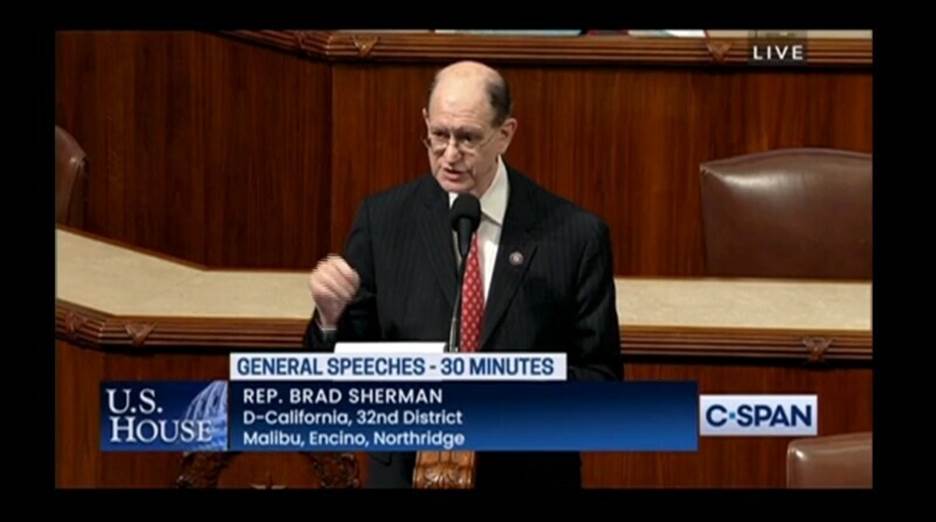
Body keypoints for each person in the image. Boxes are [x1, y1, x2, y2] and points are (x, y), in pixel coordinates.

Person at [304, 60, 621, 488]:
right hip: (406, 472)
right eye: (439, 135)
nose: (450, 155)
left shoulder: (575, 237)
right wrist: (328, 319)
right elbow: (336, 382)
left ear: (505, 134)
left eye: (468, 138)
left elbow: (600, 383)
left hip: (526, 476)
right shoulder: (383, 222)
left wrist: (505, 387)